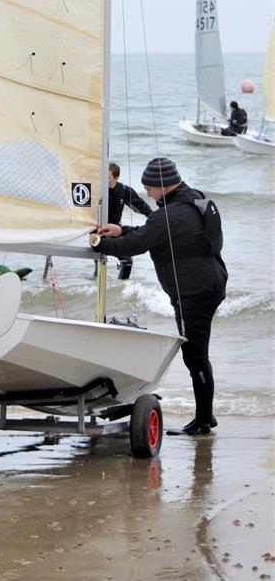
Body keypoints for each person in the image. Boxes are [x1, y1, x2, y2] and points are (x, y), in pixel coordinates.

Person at [90, 156, 227, 436]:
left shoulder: (170, 214)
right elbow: (152, 233)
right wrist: (120, 230)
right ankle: (205, 417)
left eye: (150, 188)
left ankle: (204, 420)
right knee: (197, 354)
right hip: (210, 283)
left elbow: (139, 243)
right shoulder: (192, 199)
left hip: (194, 293)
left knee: (195, 357)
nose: (147, 194)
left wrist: (99, 244)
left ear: (163, 185)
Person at [107, 161, 152, 281]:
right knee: (99, 259)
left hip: (115, 230)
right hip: (98, 230)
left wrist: (154, 218)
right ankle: (94, 286)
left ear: (116, 178)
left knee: (127, 261)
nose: (104, 179)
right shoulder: (98, 190)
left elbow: (141, 206)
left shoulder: (124, 190)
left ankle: (120, 286)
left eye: (108, 177)